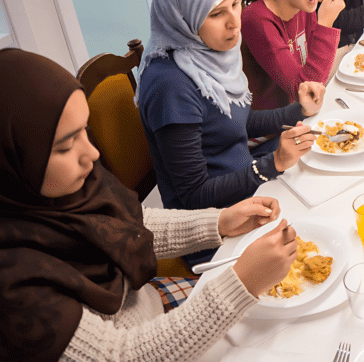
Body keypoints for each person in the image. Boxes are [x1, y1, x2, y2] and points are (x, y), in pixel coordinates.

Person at [0, 48, 298, 362]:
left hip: (148, 307)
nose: (92, 154)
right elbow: (122, 355)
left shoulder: (60, 186)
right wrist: (241, 284)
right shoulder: (13, 286)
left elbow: (127, 223)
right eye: (65, 146)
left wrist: (219, 221)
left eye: (84, 131)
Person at [137, 0, 322, 220]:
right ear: (183, 18)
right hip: (215, 219)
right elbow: (193, 196)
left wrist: (299, 110)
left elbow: (235, 122)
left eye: (235, 4)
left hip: (245, 180)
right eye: (216, 14)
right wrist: (272, 164)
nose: (234, 22)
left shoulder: (209, 54)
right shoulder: (170, 86)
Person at [241, 0, 347, 110]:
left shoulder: (302, 5)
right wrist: (325, 25)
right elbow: (304, 92)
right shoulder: (256, 20)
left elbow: (316, 72)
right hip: (273, 122)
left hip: (299, 111)